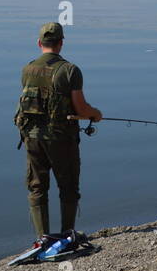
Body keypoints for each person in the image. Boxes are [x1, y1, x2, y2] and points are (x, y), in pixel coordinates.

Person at [15, 22, 103, 238]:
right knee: (68, 186)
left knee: (37, 187)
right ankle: (67, 233)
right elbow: (80, 108)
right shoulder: (70, 71)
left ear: (39, 43)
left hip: (32, 137)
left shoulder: (27, 69)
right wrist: (96, 115)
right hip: (61, 138)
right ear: (61, 43)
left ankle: (42, 237)